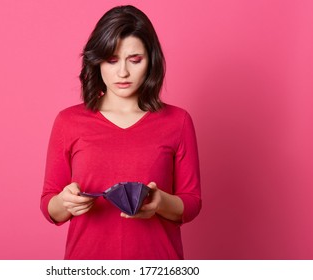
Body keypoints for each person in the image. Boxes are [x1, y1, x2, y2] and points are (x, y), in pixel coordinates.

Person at [40, 5, 201, 260]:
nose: (123, 72)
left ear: (151, 60)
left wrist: (160, 202)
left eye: (135, 60)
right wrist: (64, 202)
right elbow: (50, 205)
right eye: (112, 60)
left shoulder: (178, 121)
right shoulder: (68, 121)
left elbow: (191, 202)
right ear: (97, 61)